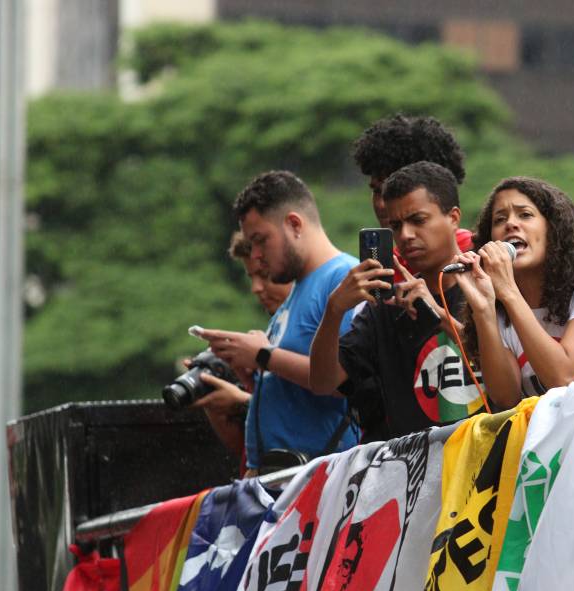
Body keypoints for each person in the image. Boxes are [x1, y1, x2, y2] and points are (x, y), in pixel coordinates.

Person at [309, 161, 484, 440]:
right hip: (416, 465)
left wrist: (439, 315)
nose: (405, 235)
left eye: (418, 220)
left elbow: (509, 375)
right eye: (396, 225)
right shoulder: (386, 307)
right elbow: (322, 382)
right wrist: (334, 309)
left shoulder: (489, 285)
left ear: (453, 218)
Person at [201, 170, 359, 476]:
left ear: (294, 224)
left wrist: (263, 355)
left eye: (260, 241)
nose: (257, 255)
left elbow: (344, 382)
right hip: (276, 482)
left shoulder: (343, 278)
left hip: (320, 481)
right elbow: (292, 388)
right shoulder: (296, 290)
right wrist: (247, 368)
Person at [452, 177, 574, 408]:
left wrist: (509, 291)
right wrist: (484, 311)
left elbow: (563, 377)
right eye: (499, 219)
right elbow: (506, 399)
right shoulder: (502, 309)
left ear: (553, 229)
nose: (510, 224)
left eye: (525, 215)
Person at [190, 232, 292, 464]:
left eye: (265, 275)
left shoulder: (311, 335)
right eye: (251, 277)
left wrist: (243, 402)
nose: (255, 288)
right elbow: (245, 452)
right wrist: (212, 396)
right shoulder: (271, 333)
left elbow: (315, 415)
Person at [351, 113, 474, 271]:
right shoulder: (387, 268)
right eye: (376, 191)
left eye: (418, 220)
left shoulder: (479, 255)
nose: (382, 204)